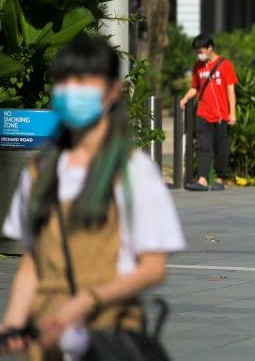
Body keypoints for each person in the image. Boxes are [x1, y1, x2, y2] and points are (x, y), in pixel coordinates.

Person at [0, 35, 185, 359]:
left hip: (109, 340)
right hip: (49, 344)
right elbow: (32, 262)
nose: (73, 90)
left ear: (113, 91)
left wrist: (87, 302)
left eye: (85, 81)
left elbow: (154, 268)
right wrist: (13, 324)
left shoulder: (134, 171)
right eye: (65, 82)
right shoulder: (39, 173)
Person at [179, 34, 238, 191]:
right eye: (197, 51)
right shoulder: (197, 66)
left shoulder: (225, 65)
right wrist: (185, 99)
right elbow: (194, 88)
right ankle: (202, 180)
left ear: (210, 48)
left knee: (221, 148)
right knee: (203, 146)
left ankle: (219, 179)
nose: (199, 54)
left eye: (201, 50)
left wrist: (232, 113)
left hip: (220, 114)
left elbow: (230, 90)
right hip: (203, 112)